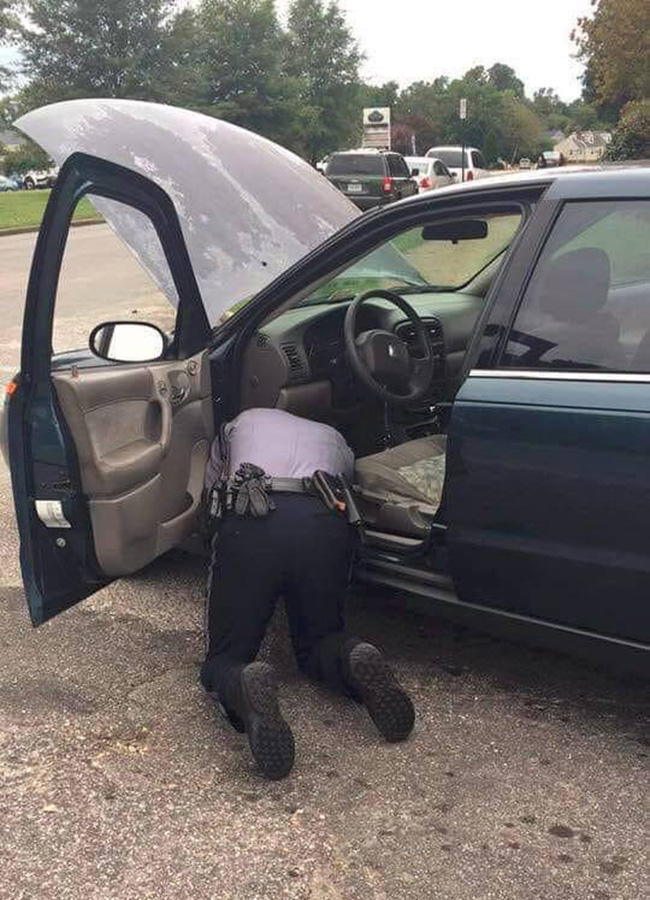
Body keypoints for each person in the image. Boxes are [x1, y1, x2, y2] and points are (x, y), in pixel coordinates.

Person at [201, 407, 415, 779]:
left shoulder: (242, 420)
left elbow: (214, 489)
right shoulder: (337, 440)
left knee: (222, 658)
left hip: (257, 517)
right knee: (320, 640)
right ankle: (352, 658)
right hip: (324, 521)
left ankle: (242, 678)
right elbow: (350, 484)